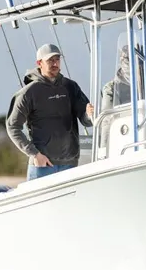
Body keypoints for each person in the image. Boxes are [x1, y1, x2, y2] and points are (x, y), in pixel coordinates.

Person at [6, 43, 95, 181]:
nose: (55, 63)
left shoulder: (71, 87)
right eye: (50, 60)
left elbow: (85, 120)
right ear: (39, 63)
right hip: (42, 166)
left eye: (57, 59)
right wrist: (35, 154)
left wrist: (90, 115)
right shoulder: (28, 93)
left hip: (70, 164)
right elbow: (12, 127)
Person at [99, 43, 146, 147]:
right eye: (131, 60)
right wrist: (103, 149)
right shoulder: (111, 88)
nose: (137, 64)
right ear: (122, 61)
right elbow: (107, 122)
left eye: (141, 59)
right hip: (124, 142)